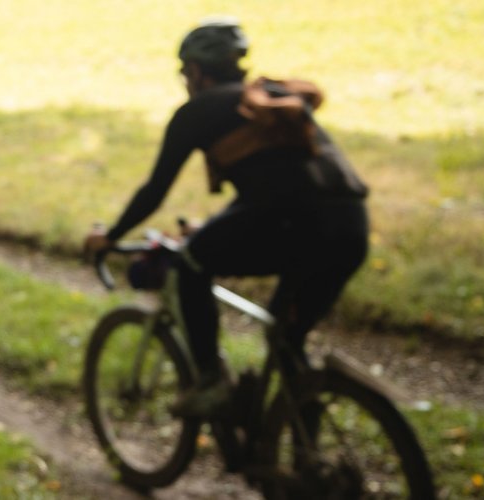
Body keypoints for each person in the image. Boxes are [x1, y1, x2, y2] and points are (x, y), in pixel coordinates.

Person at [82, 18, 371, 416]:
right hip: (351, 227)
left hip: (294, 224)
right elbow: (278, 184)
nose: (184, 80)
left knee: (190, 263)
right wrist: (220, 227)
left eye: (184, 72)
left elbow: (155, 190)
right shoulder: (269, 96)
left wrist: (110, 235)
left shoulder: (196, 111)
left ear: (197, 72)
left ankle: (211, 381)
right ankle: (306, 456)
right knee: (287, 338)